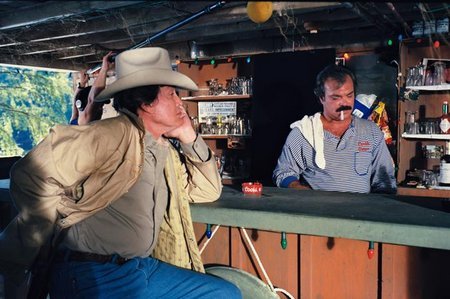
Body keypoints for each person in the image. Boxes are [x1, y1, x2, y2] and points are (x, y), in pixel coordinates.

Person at [0, 47, 241, 298]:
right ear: (146, 103)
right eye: (171, 94)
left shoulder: (162, 150)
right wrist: (51, 222)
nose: (180, 102)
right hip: (94, 271)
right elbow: (30, 174)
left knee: (223, 293)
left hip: (139, 268)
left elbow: (208, 189)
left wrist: (188, 135)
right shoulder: (112, 134)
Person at [273, 64, 396, 194]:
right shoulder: (303, 133)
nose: (345, 103)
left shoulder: (371, 132)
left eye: (349, 95)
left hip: (360, 212)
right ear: (321, 97)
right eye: (336, 98)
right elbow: (283, 173)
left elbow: (385, 180)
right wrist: (300, 190)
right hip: (318, 212)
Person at [69, 51, 115, 125]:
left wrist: (104, 69)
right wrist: (103, 70)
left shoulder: (79, 122)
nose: (101, 109)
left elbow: (92, 99)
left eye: (100, 106)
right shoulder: (80, 124)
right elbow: (78, 103)